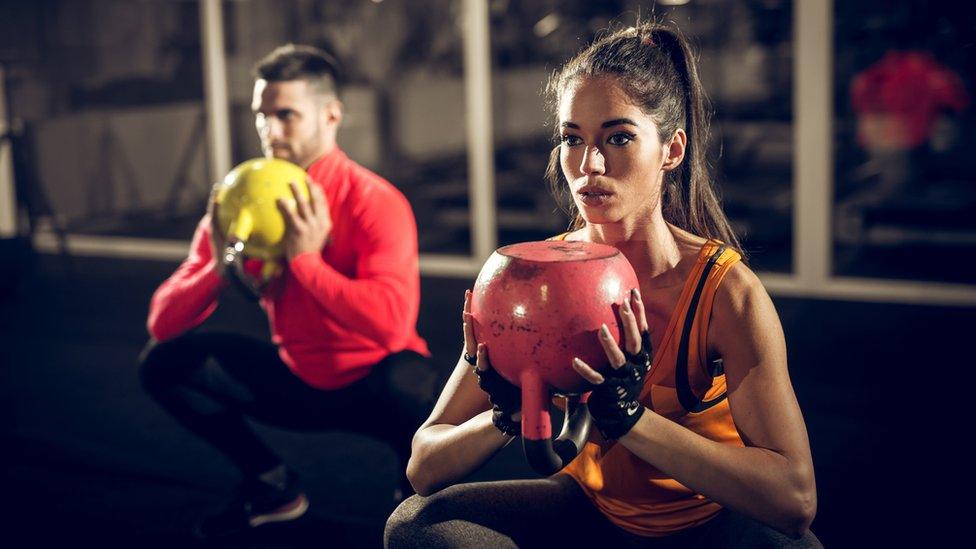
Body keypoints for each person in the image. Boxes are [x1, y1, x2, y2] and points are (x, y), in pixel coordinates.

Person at [386, 23, 821, 548]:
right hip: (592, 514)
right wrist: (505, 415)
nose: (589, 165)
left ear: (672, 150)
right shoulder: (529, 282)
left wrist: (630, 419)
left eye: (618, 137)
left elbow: (794, 500)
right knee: (418, 528)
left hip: (706, 524)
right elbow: (424, 466)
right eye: (573, 139)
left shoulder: (725, 292)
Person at [139, 44, 436, 539]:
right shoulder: (242, 199)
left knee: (427, 389)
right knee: (163, 362)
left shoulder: (374, 201)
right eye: (262, 116)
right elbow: (162, 321)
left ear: (331, 115)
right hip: (293, 377)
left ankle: (416, 498)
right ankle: (273, 485)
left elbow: (391, 324)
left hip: (373, 386)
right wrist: (218, 264)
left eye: (286, 116)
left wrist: (304, 263)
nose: (270, 132)